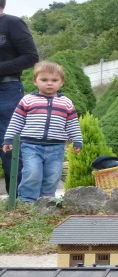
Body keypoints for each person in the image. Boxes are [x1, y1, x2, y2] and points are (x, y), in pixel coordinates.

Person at [2, 61, 82, 203]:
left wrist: (77, 140)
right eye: (44, 80)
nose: (49, 83)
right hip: (31, 146)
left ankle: (47, 201)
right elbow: (16, 121)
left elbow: (72, 123)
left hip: (56, 147)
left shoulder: (66, 103)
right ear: (35, 81)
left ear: (61, 82)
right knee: (32, 173)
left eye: (54, 80)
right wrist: (8, 139)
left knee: (52, 176)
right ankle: (27, 201)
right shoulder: (27, 100)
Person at [0, 0, 39, 194]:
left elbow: (31, 56)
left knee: (10, 146)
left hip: (7, 90)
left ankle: (18, 199)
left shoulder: (12, 23)